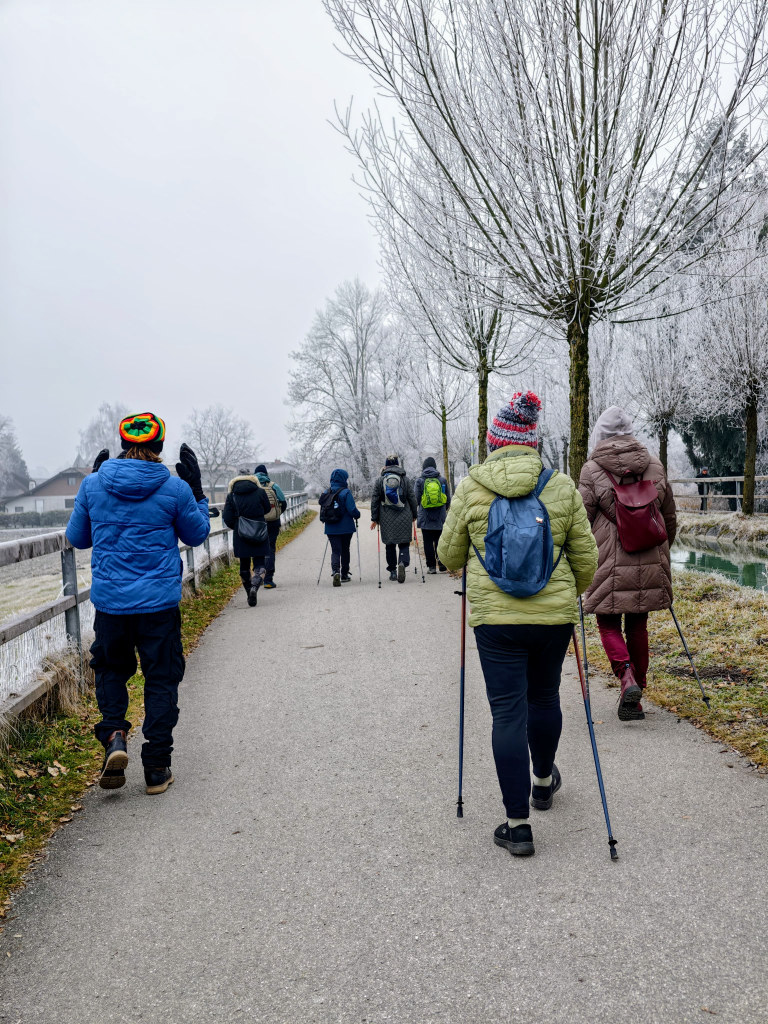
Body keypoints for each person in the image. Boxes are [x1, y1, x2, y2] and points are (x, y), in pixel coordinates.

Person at [438, 391, 598, 857]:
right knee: (545, 696)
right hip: (552, 618)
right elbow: (585, 560)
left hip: (496, 621)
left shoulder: (471, 487)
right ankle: (543, 782)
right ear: (531, 440)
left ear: (494, 442)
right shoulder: (561, 486)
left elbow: (449, 556)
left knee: (508, 712)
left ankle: (518, 826)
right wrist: (568, 591)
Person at [66, 413, 211, 795]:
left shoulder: (93, 485)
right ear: (160, 447)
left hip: (111, 607)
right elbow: (197, 534)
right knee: (161, 677)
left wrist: (94, 489)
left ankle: (114, 736)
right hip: (159, 607)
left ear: (122, 443)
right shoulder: (174, 489)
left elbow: (77, 539)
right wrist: (196, 492)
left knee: (111, 670)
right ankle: (157, 767)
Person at [578, 406, 677, 722]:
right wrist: (659, 551)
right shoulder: (655, 466)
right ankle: (635, 699)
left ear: (601, 435)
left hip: (607, 558)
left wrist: (579, 561)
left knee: (607, 623)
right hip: (649, 555)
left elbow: (581, 521)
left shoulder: (592, 470)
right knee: (638, 623)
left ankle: (626, 677)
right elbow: (669, 517)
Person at [223, 471, 272, 607]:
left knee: (244, 565)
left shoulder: (231, 495)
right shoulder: (260, 492)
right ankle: (255, 588)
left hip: (241, 532)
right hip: (259, 530)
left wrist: (238, 525)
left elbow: (227, 518)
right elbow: (267, 509)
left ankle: (248, 591)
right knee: (260, 564)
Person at [370, 455, 418, 583]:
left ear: (385, 466)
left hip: (386, 517)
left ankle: (392, 571)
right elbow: (412, 498)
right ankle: (402, 562)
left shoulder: (380, 480)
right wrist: (414, 514)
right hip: (404, 514)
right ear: (398, 465)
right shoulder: (405, 479)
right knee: (404, 543)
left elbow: (375, 500)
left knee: (390, 544)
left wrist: (374, 518)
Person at [320, 468, 361, 586]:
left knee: (335, 550)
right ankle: (344, 574)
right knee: (345, 549)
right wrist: (358, 515)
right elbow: (352, 510)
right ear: (343, 479)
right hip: (346, 527)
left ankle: (335, 571)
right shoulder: (346, 492)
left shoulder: (326, 492)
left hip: (330, 527)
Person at [415, 456, 451, 573]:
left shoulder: (420, 481)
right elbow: (448, 499)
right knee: (440, 540)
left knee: (428, 542)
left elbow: (416, 498)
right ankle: (441, 563)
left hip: (425, 517)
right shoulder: (442, 480)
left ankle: (431, 567)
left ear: (424, 467)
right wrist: (443, 510)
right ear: (435, 467)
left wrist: (422, 507)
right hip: (440, 516)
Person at [254, 463, 287, 589]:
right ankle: (268, 580)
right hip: (273, 522)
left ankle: (258, 577)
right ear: (266, 474)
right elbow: (283, 503)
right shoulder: (273, 486)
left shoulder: (253, 486)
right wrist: (275, 514)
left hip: (256, 523)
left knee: (257, 550)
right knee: (270, 549)